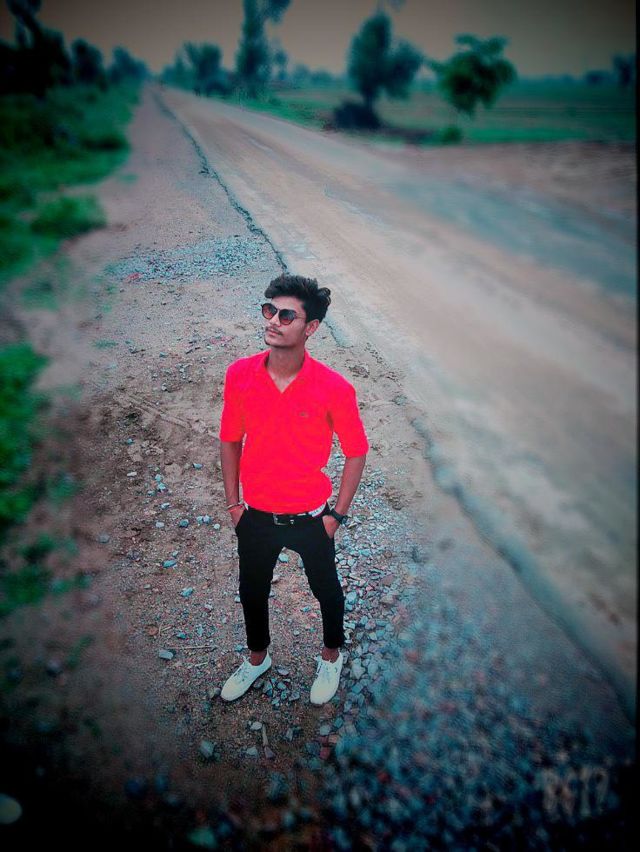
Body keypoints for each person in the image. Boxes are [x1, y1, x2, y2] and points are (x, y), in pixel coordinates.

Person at [218, 273, 369, 705]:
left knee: (326, 589)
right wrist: (234, 504)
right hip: (256, 514)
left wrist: (336, 516)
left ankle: (331, 655)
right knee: (251, 589)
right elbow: (230, 439)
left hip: (311, 516)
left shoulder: (334, 388)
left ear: (311, 328)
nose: (273, 320)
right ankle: (257, 658)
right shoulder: (240, 374)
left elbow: (356, 451)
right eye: (270, 310)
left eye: (287, 315)